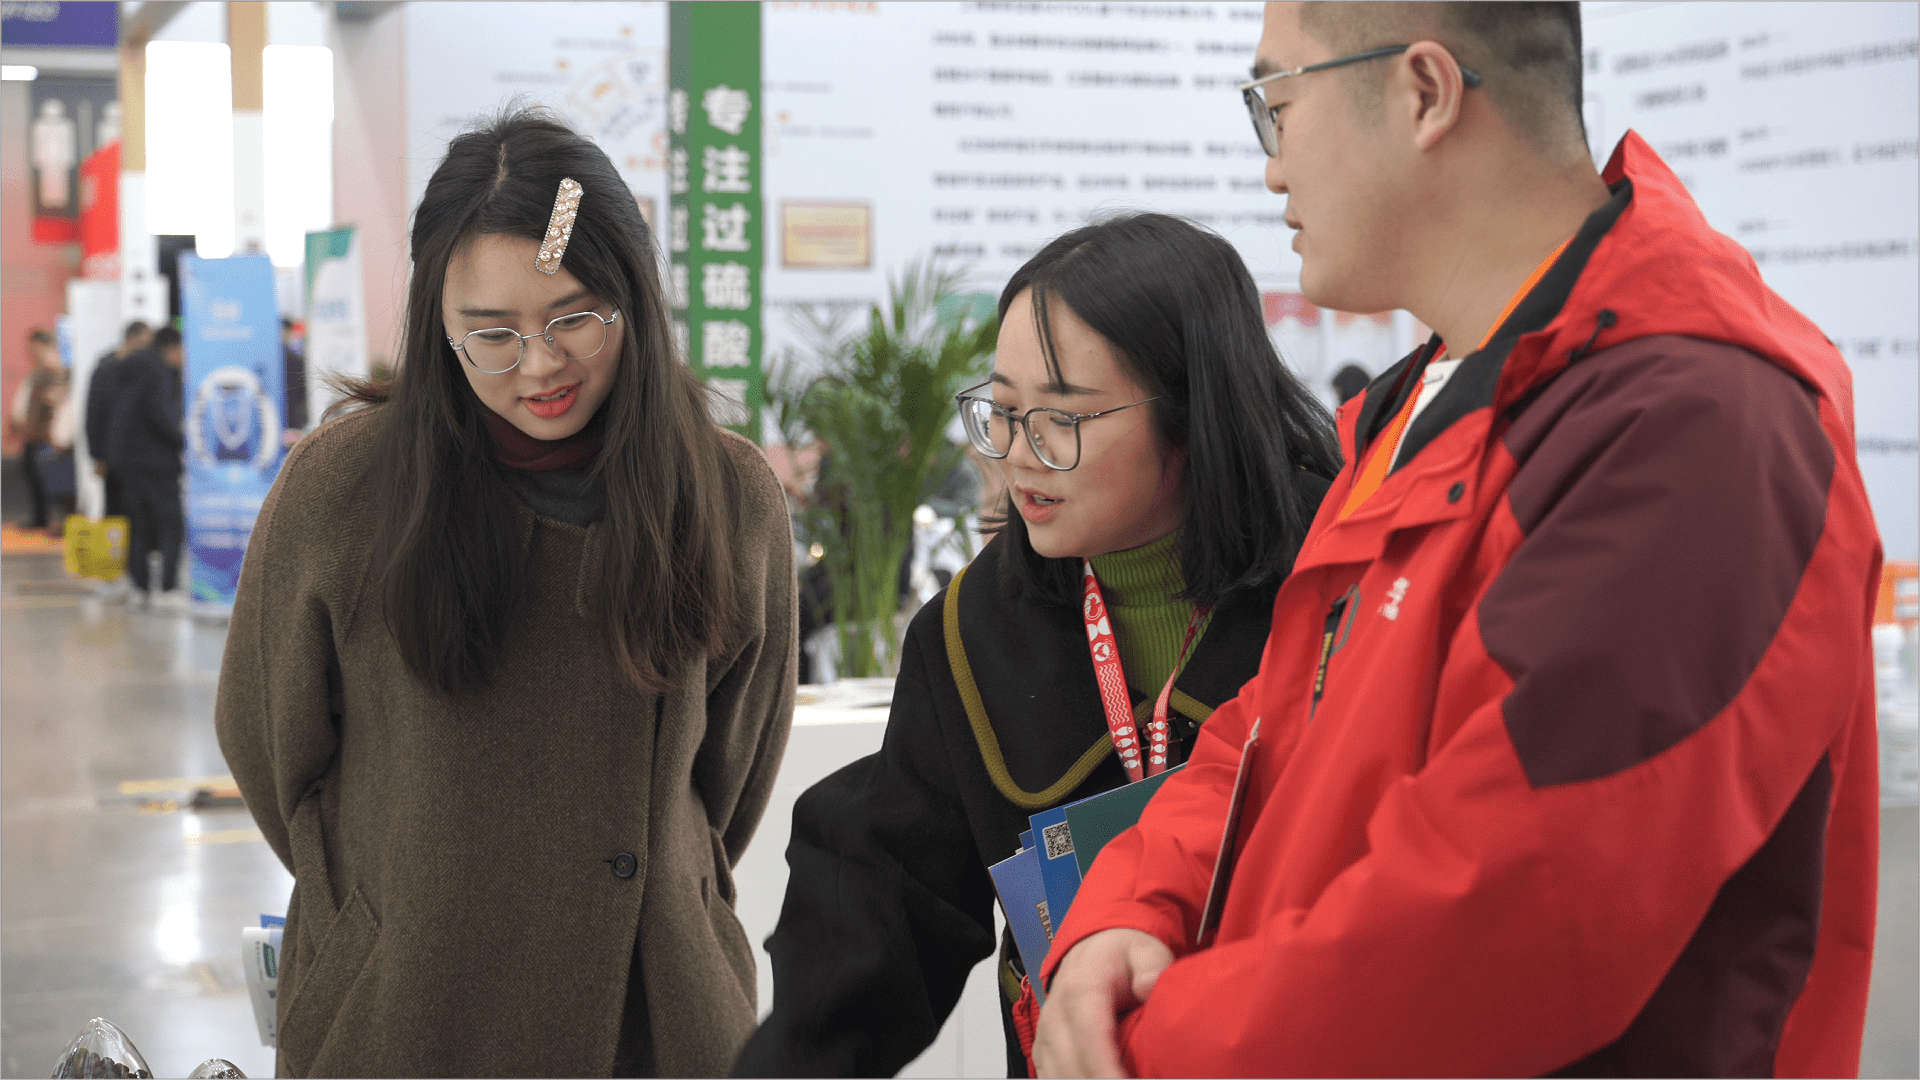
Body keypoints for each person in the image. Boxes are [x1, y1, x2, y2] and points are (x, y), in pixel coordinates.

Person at [1035, 4, 1883, 1078]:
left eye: (1277, 106)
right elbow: (1274, 731)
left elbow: (1504, 918)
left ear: (1424, 93)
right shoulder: (1430, 402)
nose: (1270, 167)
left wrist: (1144, 1045)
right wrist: (1128, 907)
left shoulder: (1690, 426)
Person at [213, 110, 797, 1077]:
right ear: (437, 325)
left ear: (633, 298)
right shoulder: (342, 491)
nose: (540, 365)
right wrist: (382, 907)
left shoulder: (727, 497)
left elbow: (730, 778)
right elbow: (269, 744)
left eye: (575, 318)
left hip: (656, 1015)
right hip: (403, 1011)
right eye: (491, 333)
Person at [733, 212, 1341, 1077]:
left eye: (1062, 417)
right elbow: (879, 912)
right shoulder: (974, 631)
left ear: (1193, 411)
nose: (1018, 455)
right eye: (1005, 412)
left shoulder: (1345, 579)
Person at [106, 326, 185, 606]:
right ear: (172, 349)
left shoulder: (125, 369)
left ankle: (139, 588)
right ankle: (167, 589)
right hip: (156, 462)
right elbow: (161, 415)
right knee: (171, 524)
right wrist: (184, 440)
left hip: (126, 462)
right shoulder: (158, 372)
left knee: (138, 525)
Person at [86, 320, 152, 522]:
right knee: (116, 511)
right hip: (112, 456)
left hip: (139, 456)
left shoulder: (144, 370)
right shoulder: (105, 370)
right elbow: (94, 415)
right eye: (144, 343)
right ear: (131, 339)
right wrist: (98, 456)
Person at [10, 328, 71, 532]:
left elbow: (57, 397)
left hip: (45, 435)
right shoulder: (36, 371)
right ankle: (40, 517)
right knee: (32, 474)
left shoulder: (54, 369)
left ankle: (54, 519)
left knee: (52, 478)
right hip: (33, 433)